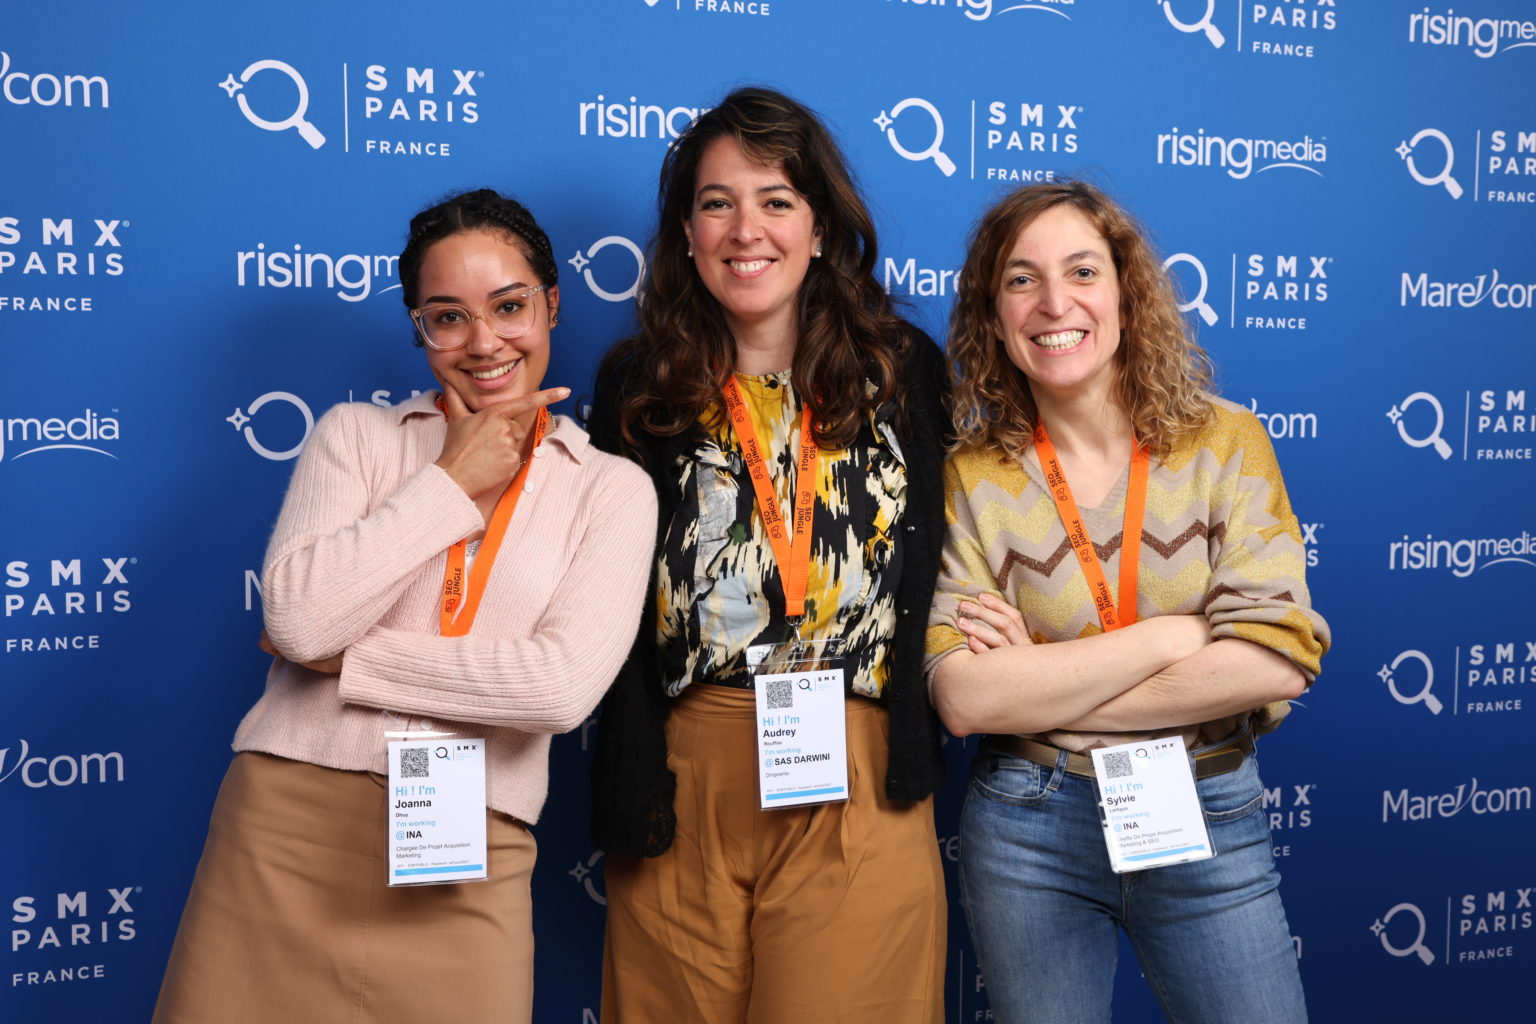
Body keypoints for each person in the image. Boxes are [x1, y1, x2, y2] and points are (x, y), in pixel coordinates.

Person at [153, 189, 656, 1024]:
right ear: (419, 330)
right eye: (448, 317)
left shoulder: (611, 489)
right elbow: (299, 620)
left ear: (552, 304)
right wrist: (452, 481)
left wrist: (350, 661)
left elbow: (559, 689)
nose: (484, 342)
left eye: (509, 306)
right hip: (286, 829)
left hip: (469, 852)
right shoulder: (356, 437)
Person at [926, 180, 1329, 1024]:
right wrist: (1174, 637)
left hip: (1206, 808)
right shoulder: (970, 474)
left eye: (1082, 271)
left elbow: (1277, 661)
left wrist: (1038, 681)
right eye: (1022, 279)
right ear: (993, 315)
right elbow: (964, 699)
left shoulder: (1227, 442)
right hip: (1029, 828)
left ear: (1125, 292)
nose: (1054, 303)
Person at [587, 87, 949, 1023]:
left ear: (820, 227)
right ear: (687, 232)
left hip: (858, 771)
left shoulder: (903, 371)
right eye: (717, 203)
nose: (745, 229)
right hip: (682, 779)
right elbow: (606, 603)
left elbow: (955, 556)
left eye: (775, 201)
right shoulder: (637, 386)